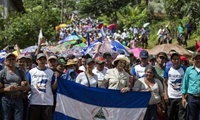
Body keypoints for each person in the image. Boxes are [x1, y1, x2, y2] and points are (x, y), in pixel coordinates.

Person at [0, 53, 30, 120]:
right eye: (9, 59)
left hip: (18, 98)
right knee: (6, 118)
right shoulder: (2, 73)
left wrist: (19, 88)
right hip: (6, 99)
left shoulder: (20, 71)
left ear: (15, 61)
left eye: (13, 59)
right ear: (5, 61)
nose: (11, 61)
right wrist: (5, 89)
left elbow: (28, 87)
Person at [27, 53, 57, 120]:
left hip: (47, 102)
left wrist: (56, 79)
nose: (42, 61)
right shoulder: (31, 72)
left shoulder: (51, 72)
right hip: (34, 101)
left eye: (44, 59)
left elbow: (53, 87)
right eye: (40, 59)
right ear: (37, 61)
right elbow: (27, 85)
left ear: (46, 61)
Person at [163, 52, 186, 120]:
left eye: (177, 59)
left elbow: (186, 82)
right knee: (170, 116)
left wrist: (185, 96)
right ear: (171, 60)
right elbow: (164, 82)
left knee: (181, 117)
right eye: (174, 59)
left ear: (180, 60)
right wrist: (165, 94)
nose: (176, 61)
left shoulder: (184, 69)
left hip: (181, 97)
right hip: (171, 97)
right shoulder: (167, 69)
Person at [182, 52, 200, 120]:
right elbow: (185, 83)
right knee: (192, 117)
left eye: (199, 58)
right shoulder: (189, 70)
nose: (198, 60)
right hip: (192, 98)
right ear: (193, 60)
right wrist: (183, 97)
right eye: (196, 59)